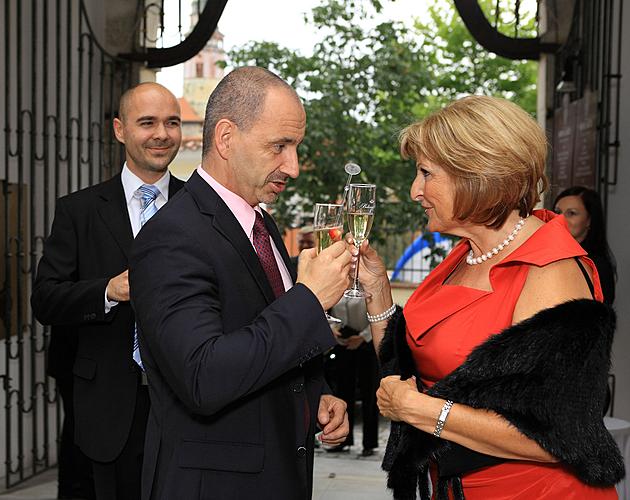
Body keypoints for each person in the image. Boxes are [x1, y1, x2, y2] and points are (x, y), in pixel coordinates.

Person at [354, 95, 622, 499]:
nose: (415, 190)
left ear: (478, 175)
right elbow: (411, 372)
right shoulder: (466, 253)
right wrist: (376, 293)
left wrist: (419, 410)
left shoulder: (551, 270)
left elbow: (554, 434)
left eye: (426, 173)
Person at [129, 67, 351, 500]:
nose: (294, 166)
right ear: (226, 138)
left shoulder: (259, 222)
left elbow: (264, 336)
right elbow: (203, 377)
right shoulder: (172, 236)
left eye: (296, 147)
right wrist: (309, 299)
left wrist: (317, 394)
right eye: (280, 147)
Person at [31, 82, 184, 500]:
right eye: (147, 122)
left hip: (190, 401)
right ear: (120, 130)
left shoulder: (202, 207)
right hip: (106, 405)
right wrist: (108, 291)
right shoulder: (78, 211)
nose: (161, 134)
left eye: (172, 123)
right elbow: (46, 298)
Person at [324, 296, 379, 457]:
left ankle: (370, 443)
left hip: (366, 345)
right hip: (342, 344)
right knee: (343, 393)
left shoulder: (369, 286)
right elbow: (328, 311)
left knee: (369, 395)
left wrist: (363, 337)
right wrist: (332, 328)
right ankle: (343, 440)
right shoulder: (339, 285)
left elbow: (380, 316)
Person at [554, 186, 616, 304]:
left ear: (589, 220)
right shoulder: (549, 257)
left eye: (571, 213)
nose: (560, 219)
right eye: (557, 212)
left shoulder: (597, 266)